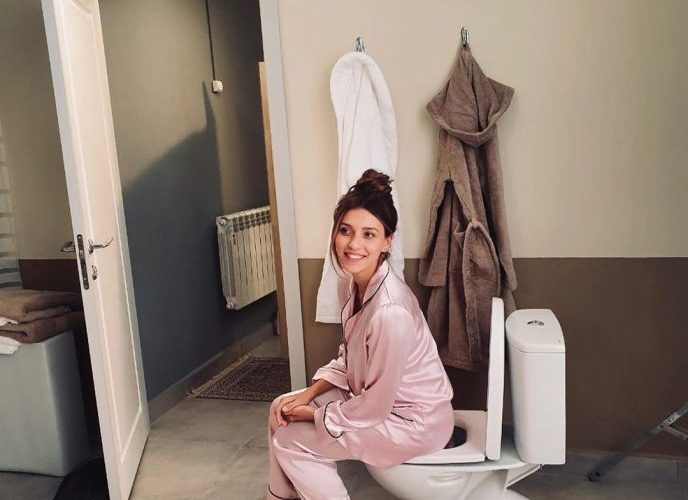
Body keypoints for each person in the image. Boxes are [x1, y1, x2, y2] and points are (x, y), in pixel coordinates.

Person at [267, 169, 454, 500]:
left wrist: (315, 415)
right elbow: (349, 359)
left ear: (387, 241)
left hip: (412, 424)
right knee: (280, 407)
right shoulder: (351, 285)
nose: (353, 244)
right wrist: (309, 395)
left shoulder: (390, 312)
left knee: (290, 440)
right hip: (375, 403)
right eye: (346, 231)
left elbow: (376, 407)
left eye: (369, 234)